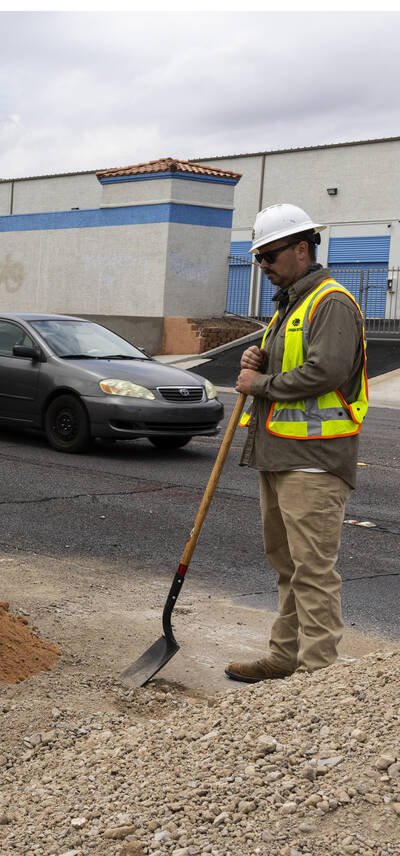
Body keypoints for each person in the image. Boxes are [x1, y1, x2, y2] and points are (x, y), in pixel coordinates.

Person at [226, 203, 367, 685]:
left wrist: (259, 384)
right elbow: (286, 363)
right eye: (259, 258)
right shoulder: (292, 304)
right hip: (279, 453)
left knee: (313, 570)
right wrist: (257, 358)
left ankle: (317, 675)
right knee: (287, 566)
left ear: (301, 249)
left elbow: (325, 371)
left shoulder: (331, 302)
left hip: (315, 462)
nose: (262, 266)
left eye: (269, 255)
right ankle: (284, 657)